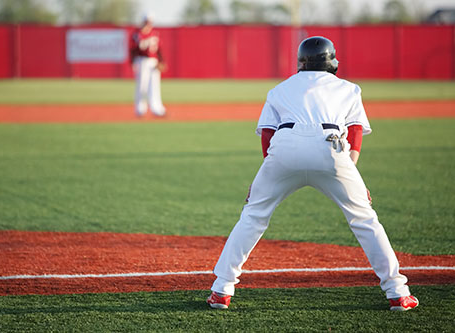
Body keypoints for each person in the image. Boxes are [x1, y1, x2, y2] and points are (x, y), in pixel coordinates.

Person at [206, 36, 419, 312]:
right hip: (330, 147)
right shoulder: (349, 88)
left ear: (300, 63)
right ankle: (397, 292)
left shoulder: (279, 90)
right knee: (365, 219)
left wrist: (268, 177)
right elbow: (354, 135)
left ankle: (222, 289)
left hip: (284, 148)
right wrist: (351, 176)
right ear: (331, 62)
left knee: (253, 216)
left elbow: (268, 137)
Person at [129, 12, 166, 117]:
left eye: (150, 21)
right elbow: (133, 49)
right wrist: (132, 61)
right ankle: (140, 109)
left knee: (154, 86)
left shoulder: (154, 33)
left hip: (153, 61)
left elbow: (159, 49)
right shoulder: (137, 34)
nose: (148, 24)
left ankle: (157, 109)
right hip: (142, 61)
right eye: (147, 21)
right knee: (142, 86)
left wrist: (162, 61)